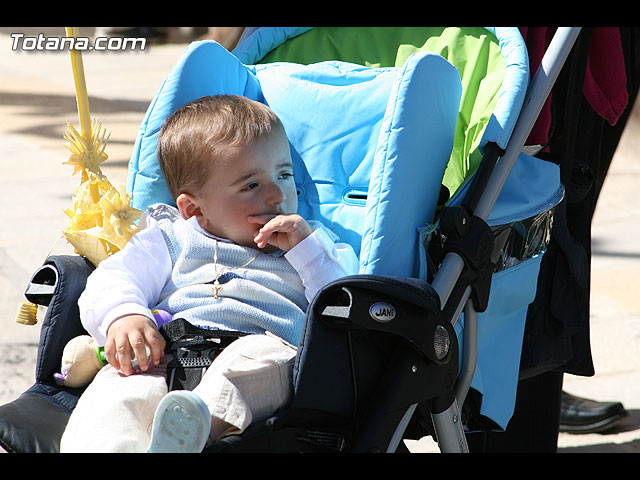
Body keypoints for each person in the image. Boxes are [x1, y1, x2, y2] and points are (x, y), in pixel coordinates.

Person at [59, 94, 359, 453]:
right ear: (194, 209)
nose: (277, 194)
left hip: (262, 348)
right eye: (251, 185)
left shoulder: (312, 245)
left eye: (284, 174)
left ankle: (192, 433)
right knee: (114, 397)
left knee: (251, 367)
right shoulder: (170, 238)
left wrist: (305, 251)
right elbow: (112, 279)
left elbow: (347, 300)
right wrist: (125, 316)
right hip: (167, 354)